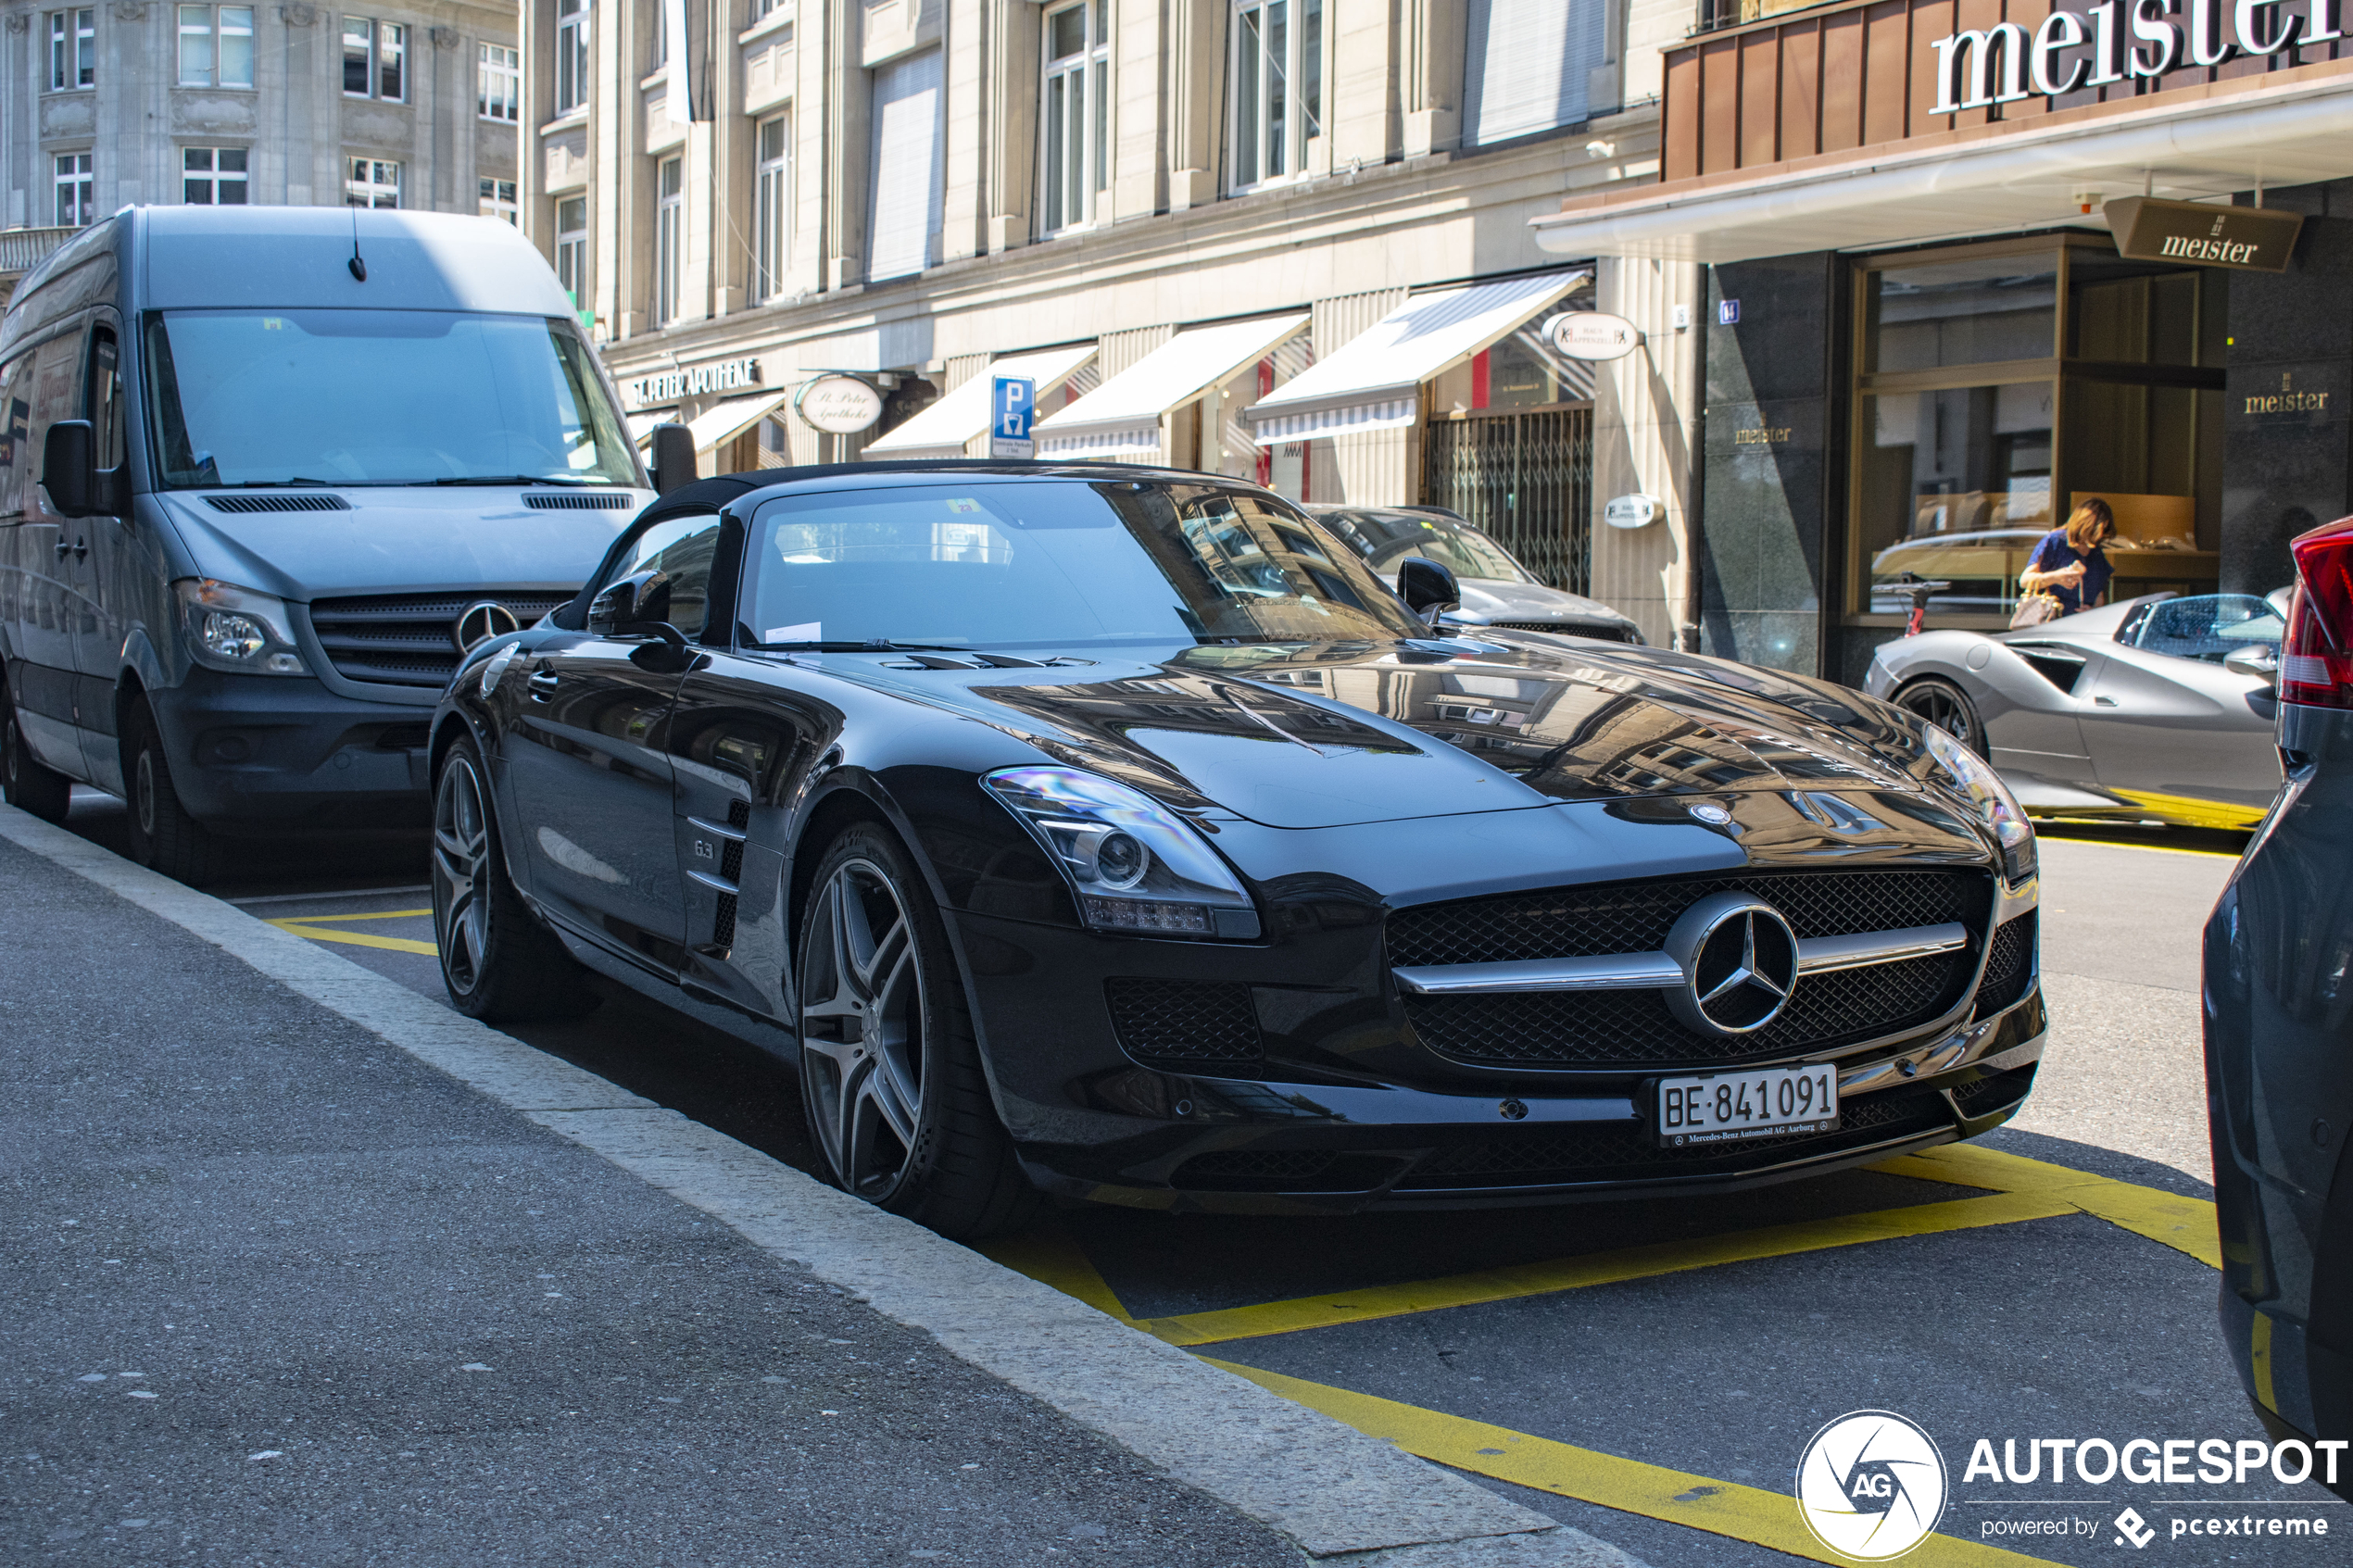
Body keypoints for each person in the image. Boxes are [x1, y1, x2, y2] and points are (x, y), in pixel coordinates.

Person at [2020, 498, 2119, 615]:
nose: (2099, 536)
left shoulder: (2096, 552)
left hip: (2084, 622)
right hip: (2053, 617)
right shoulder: (2056, 541)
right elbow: (2025, 581)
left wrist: (2094, 612)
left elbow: (2099, 595)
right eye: (2095, 531)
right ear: (2083, 524)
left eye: (2104, 532)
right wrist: (2055, 577)